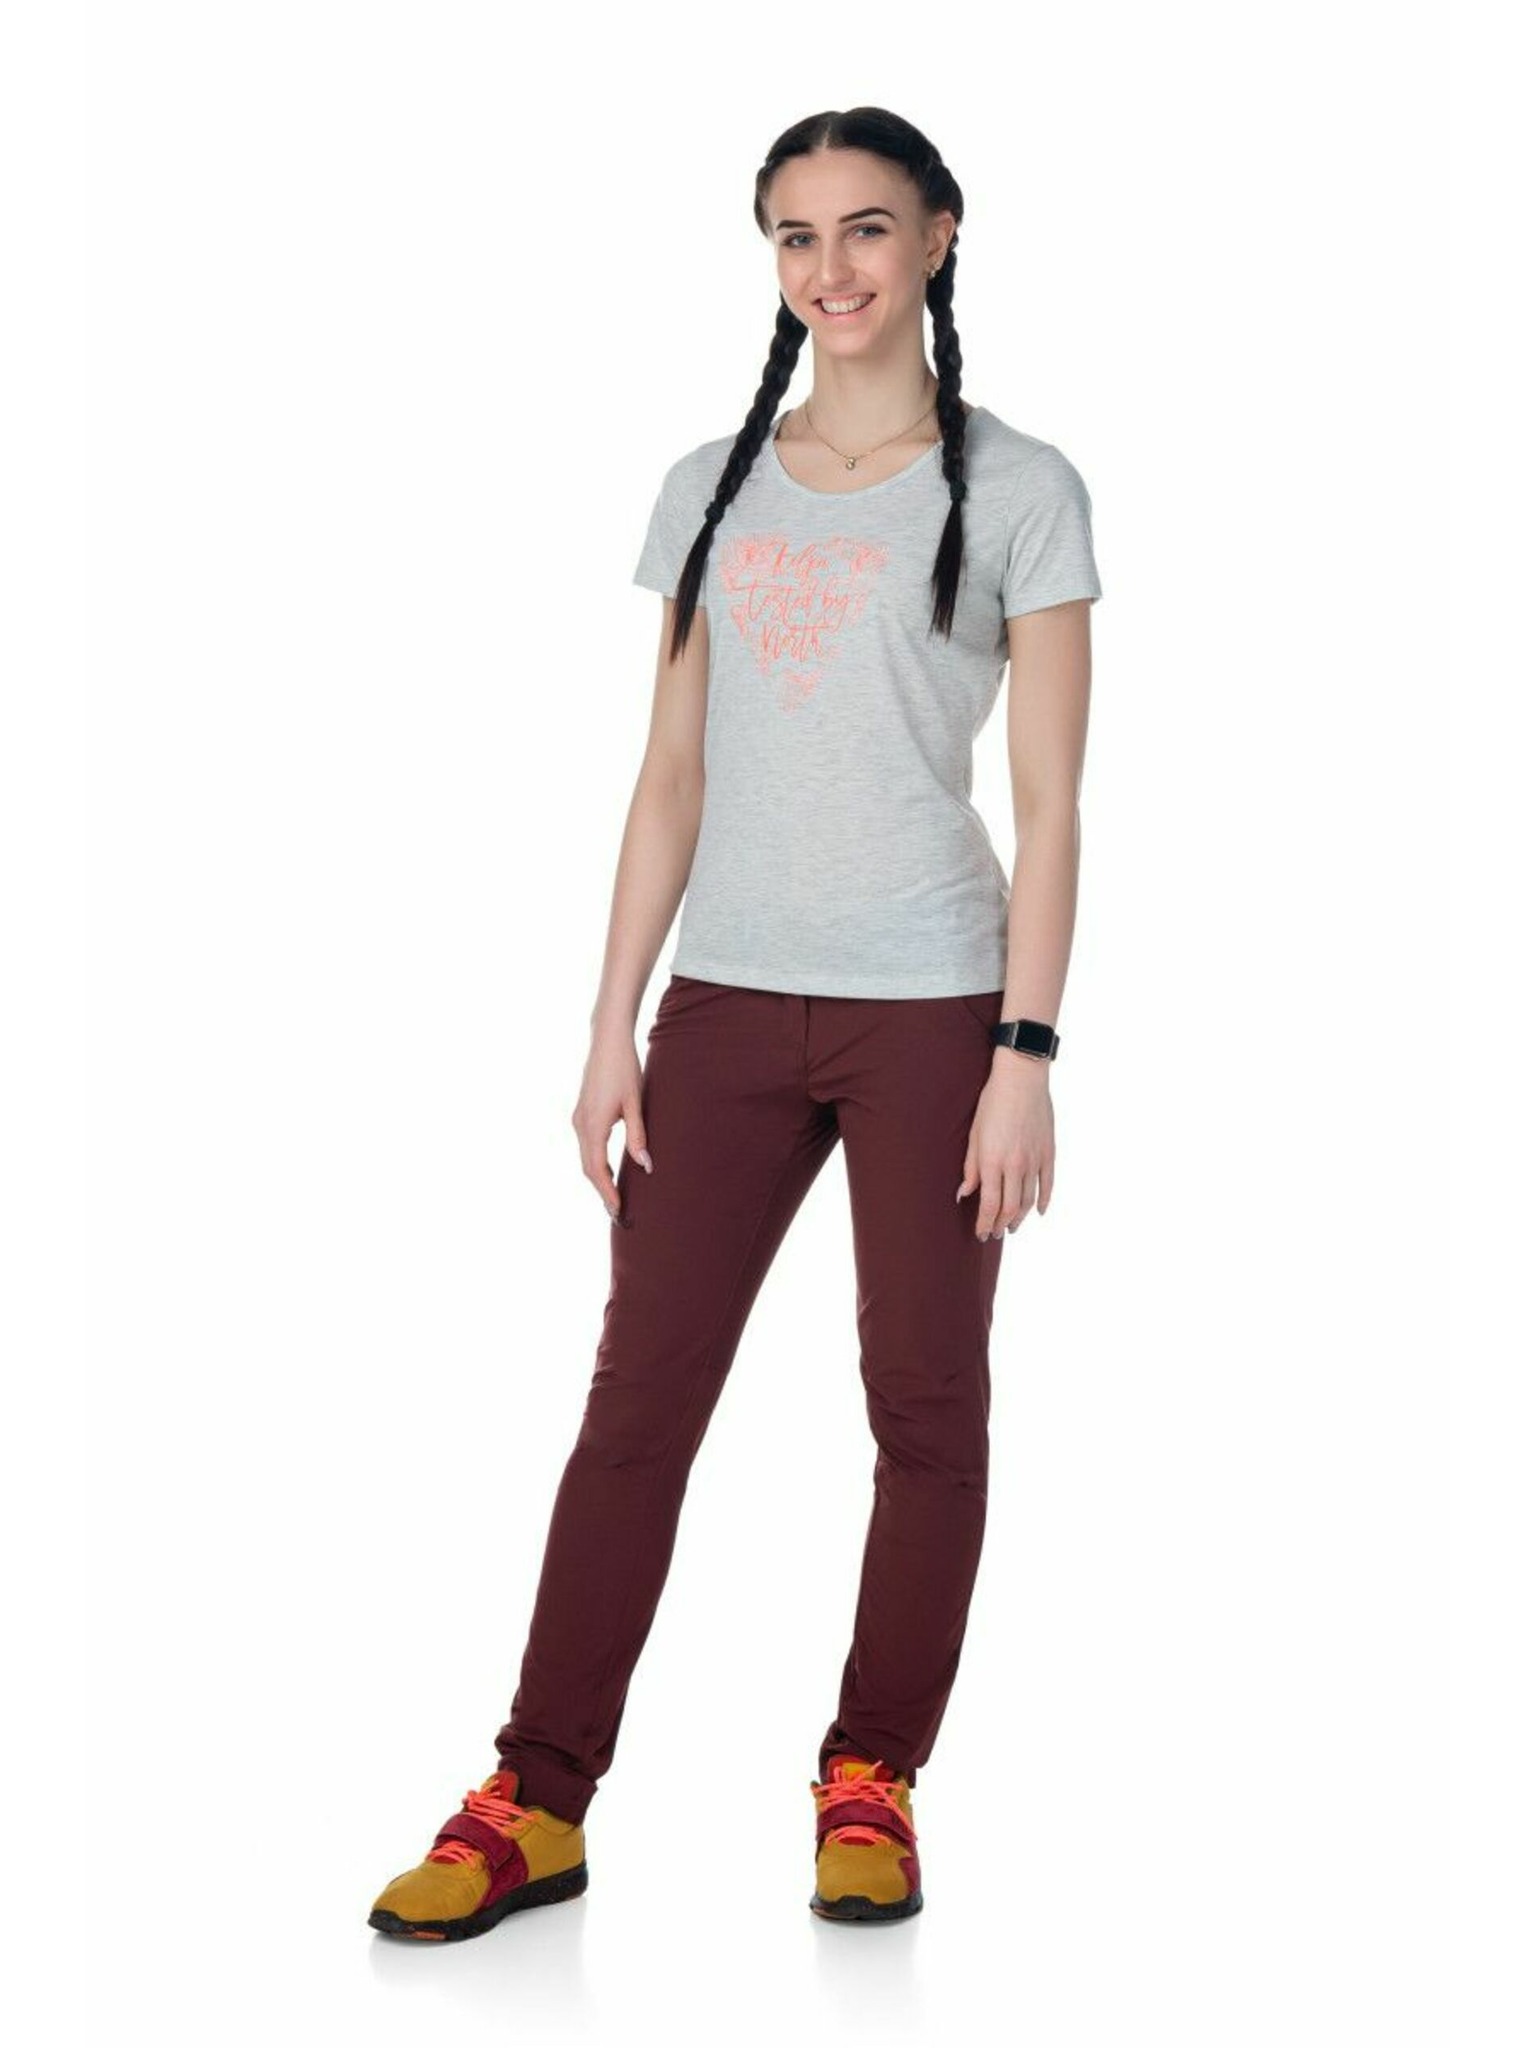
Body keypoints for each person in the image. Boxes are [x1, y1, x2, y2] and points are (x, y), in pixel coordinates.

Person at [368, 103, 1101, 1942]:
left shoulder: (1021, 490)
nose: (831, 269)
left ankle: (872, 1781)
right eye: (795, 235)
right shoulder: (710, 485)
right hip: (722, 1012)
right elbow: (671, 772)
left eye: (867, 228)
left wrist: (1025, 1056)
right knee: (640, 1403)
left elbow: (1054, 802)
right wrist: (610, 1024)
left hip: (934, 1012)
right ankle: (537, 1799)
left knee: (925, 1404)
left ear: (940, 236)